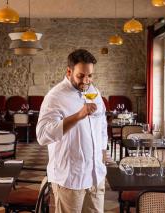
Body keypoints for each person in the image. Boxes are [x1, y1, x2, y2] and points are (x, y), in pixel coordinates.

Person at [36, 49, 108, 213]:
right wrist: (78, 116)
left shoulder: (94, 92)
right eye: (81, 76)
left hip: (96, 175)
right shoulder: (54, 97)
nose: (86, 81)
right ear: (69, 71)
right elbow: (42, 135)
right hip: (70, 177)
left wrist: (103, 152)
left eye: (90, 75)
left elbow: (102, 123)